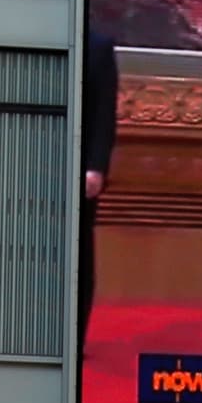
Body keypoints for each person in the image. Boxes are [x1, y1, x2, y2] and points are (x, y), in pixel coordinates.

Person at [78, 25, 119, 352]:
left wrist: (96, 167)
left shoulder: (100, 46)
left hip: (81, 170)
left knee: (79, 252)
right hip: (34, 165)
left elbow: (105, 116)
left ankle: (75, 338)